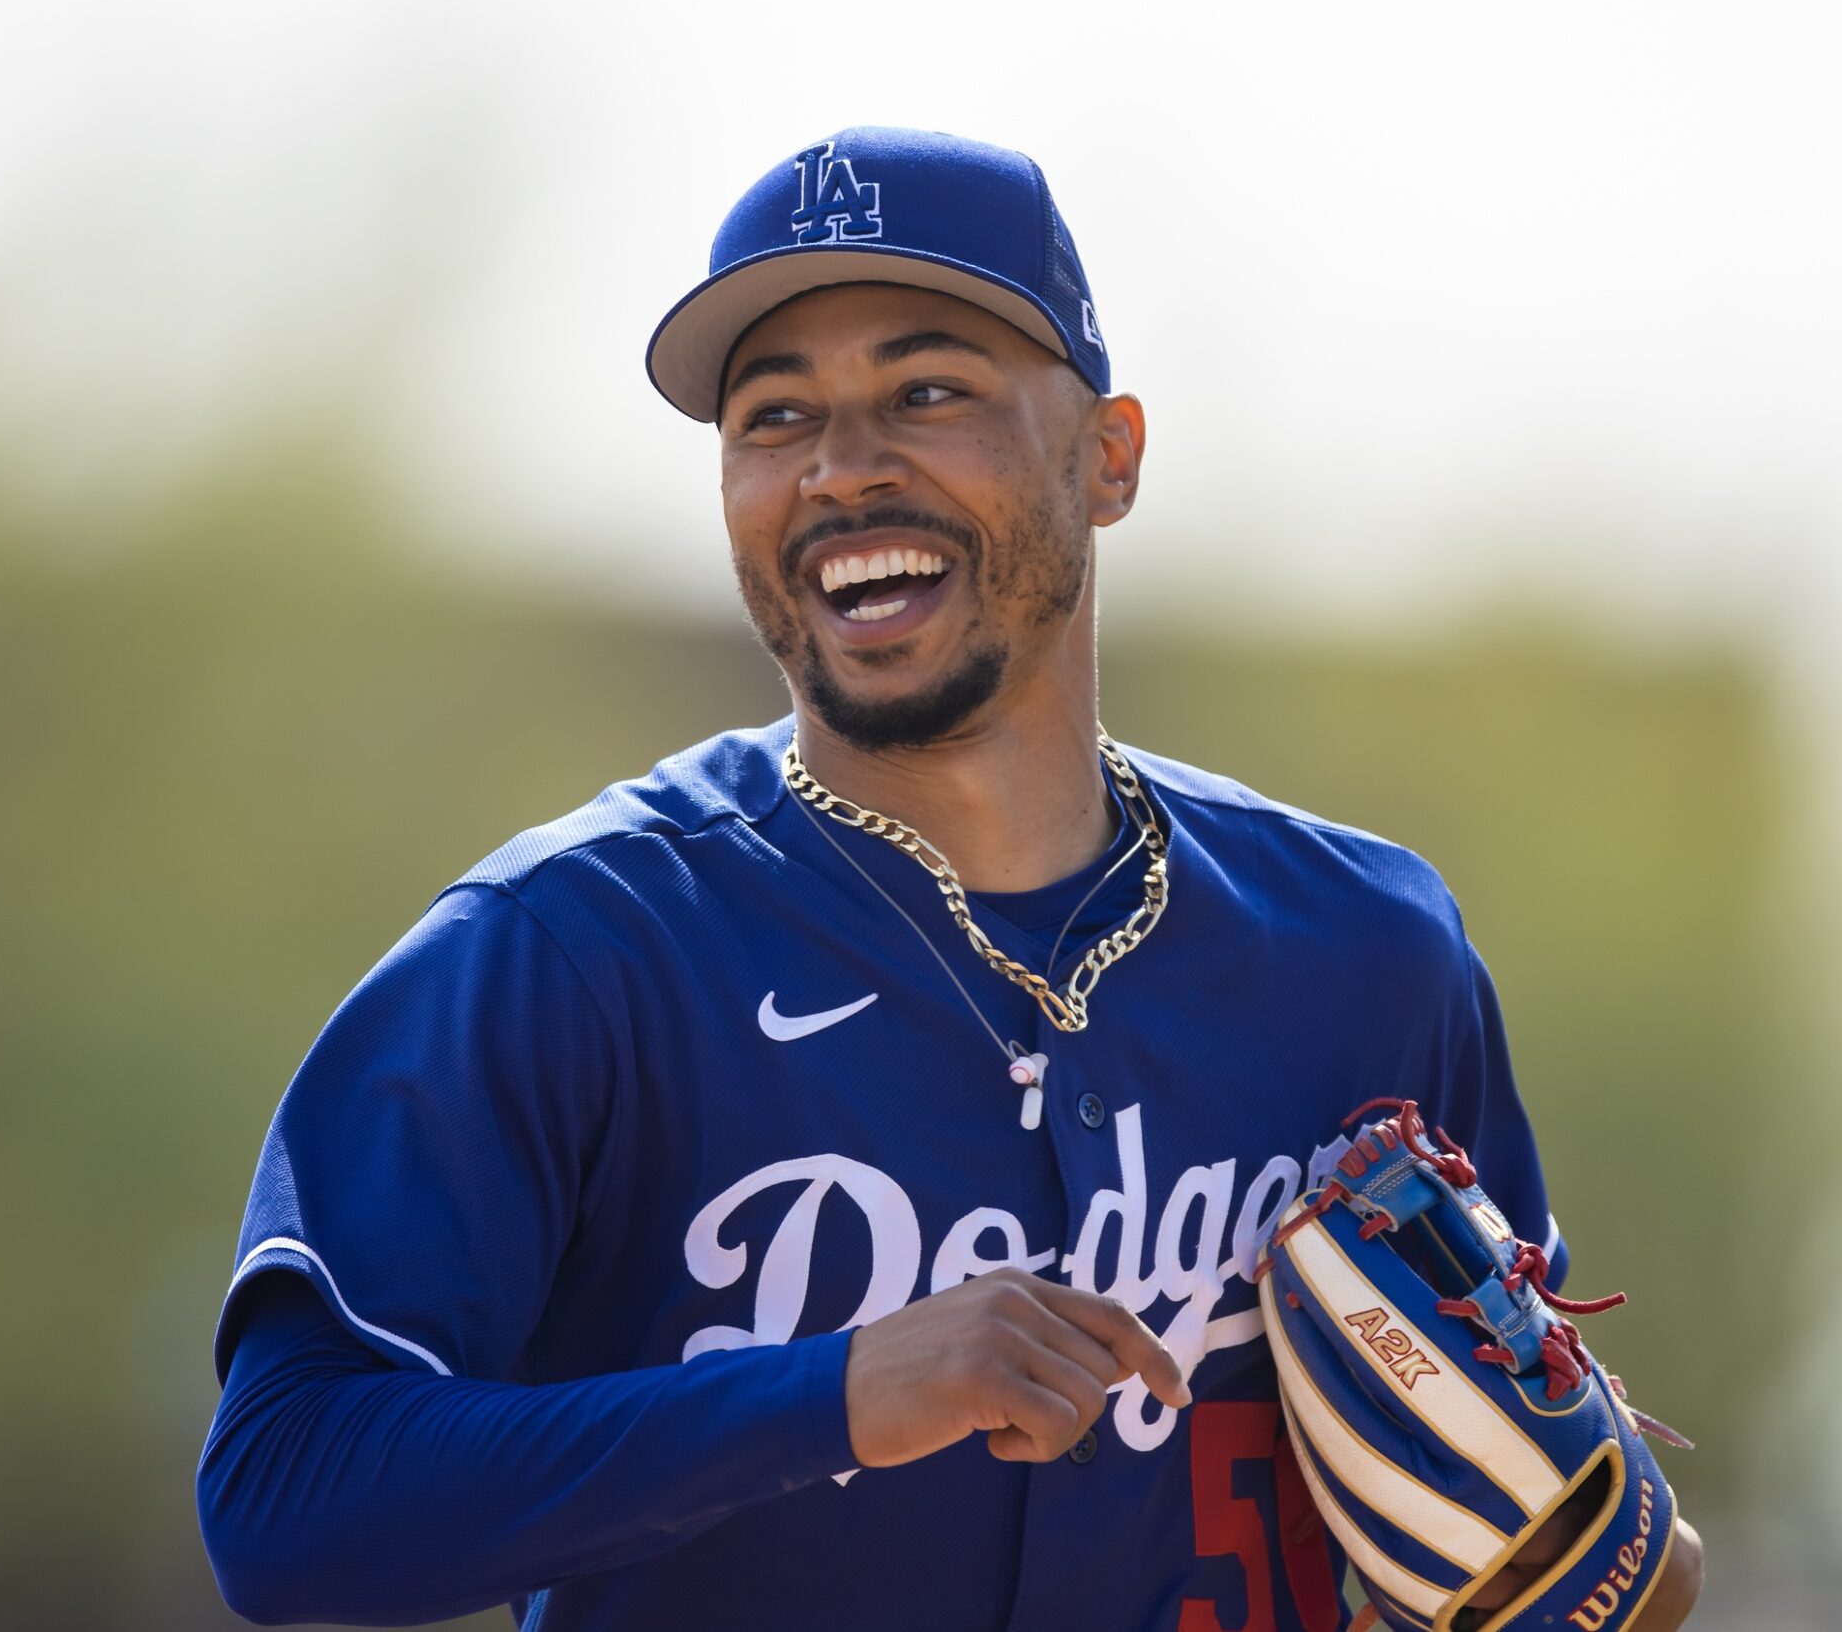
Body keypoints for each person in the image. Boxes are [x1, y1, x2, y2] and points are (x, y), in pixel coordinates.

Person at [196, 126, 1702, 1631]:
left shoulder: (1368, 955)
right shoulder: (569, 954)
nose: (844, 470)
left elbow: (1534, 1501)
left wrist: (1604, 1576)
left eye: (929, 391)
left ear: (1106, 457)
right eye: (774, 416)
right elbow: (287, 1497)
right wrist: (842, 1392)